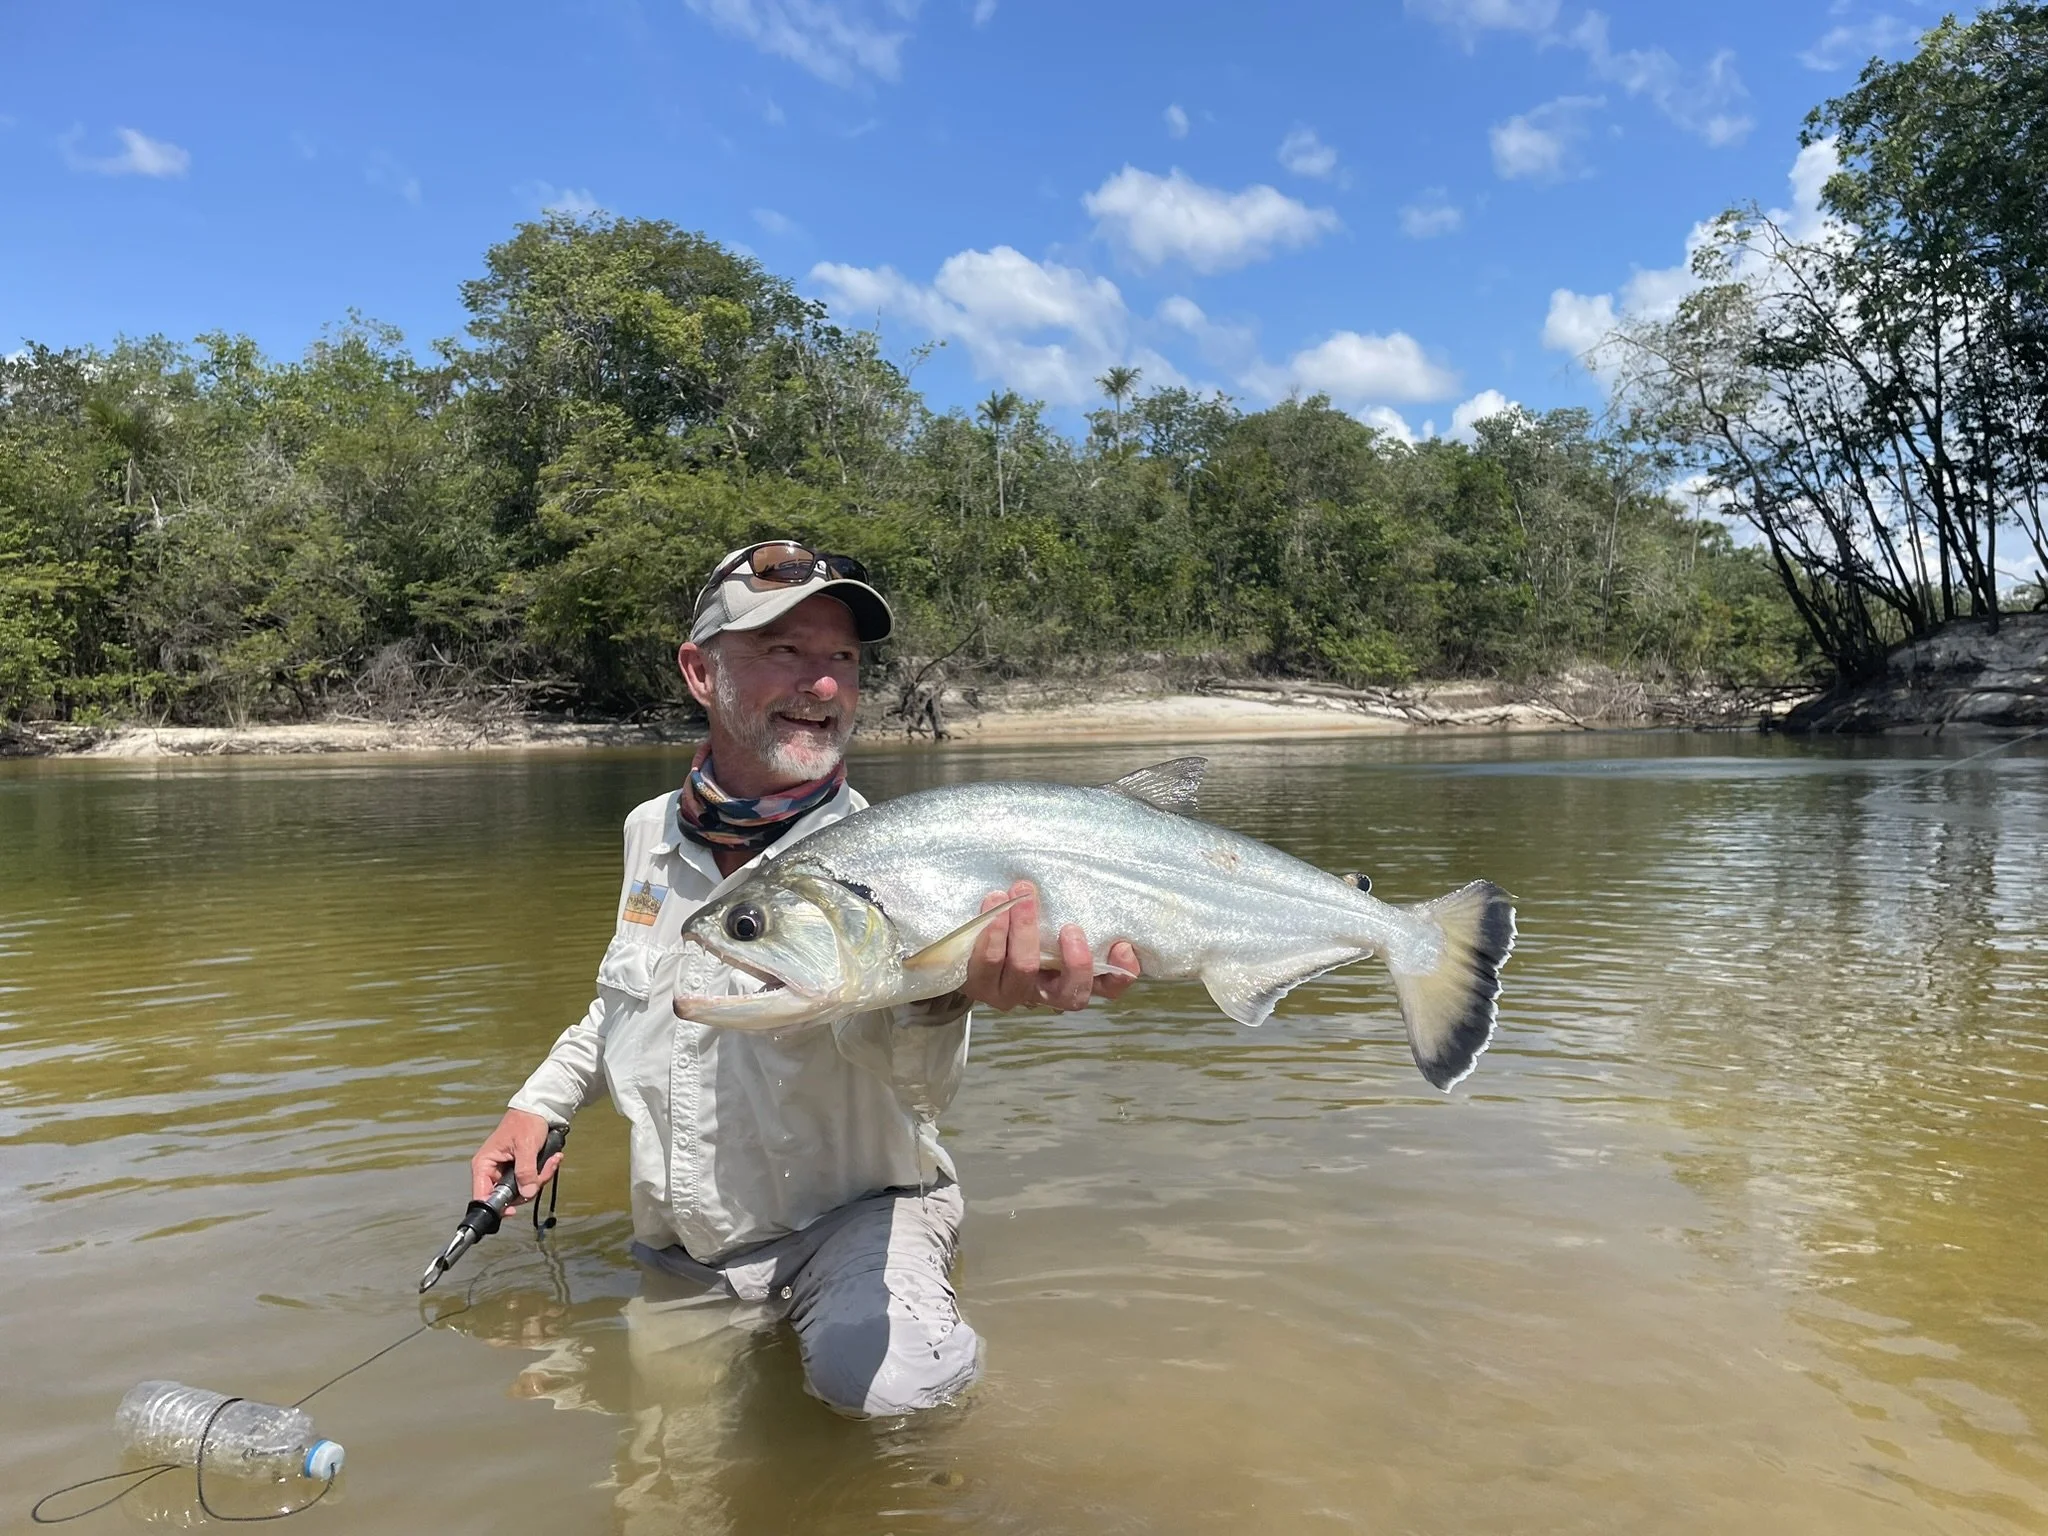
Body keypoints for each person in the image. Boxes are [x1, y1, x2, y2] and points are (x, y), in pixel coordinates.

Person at [469, 539, 1140, 1418]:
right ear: (699, 673)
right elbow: (629, 1001)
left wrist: (946, 996)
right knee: (671, 1469)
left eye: (843, 660)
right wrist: (539, 1104)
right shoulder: (647, 831)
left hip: (860, 1218)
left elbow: (922, 1092)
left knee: (900, 1393)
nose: (822, 686)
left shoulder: (910, 866)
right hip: (684, 1246)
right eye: (784, 651)